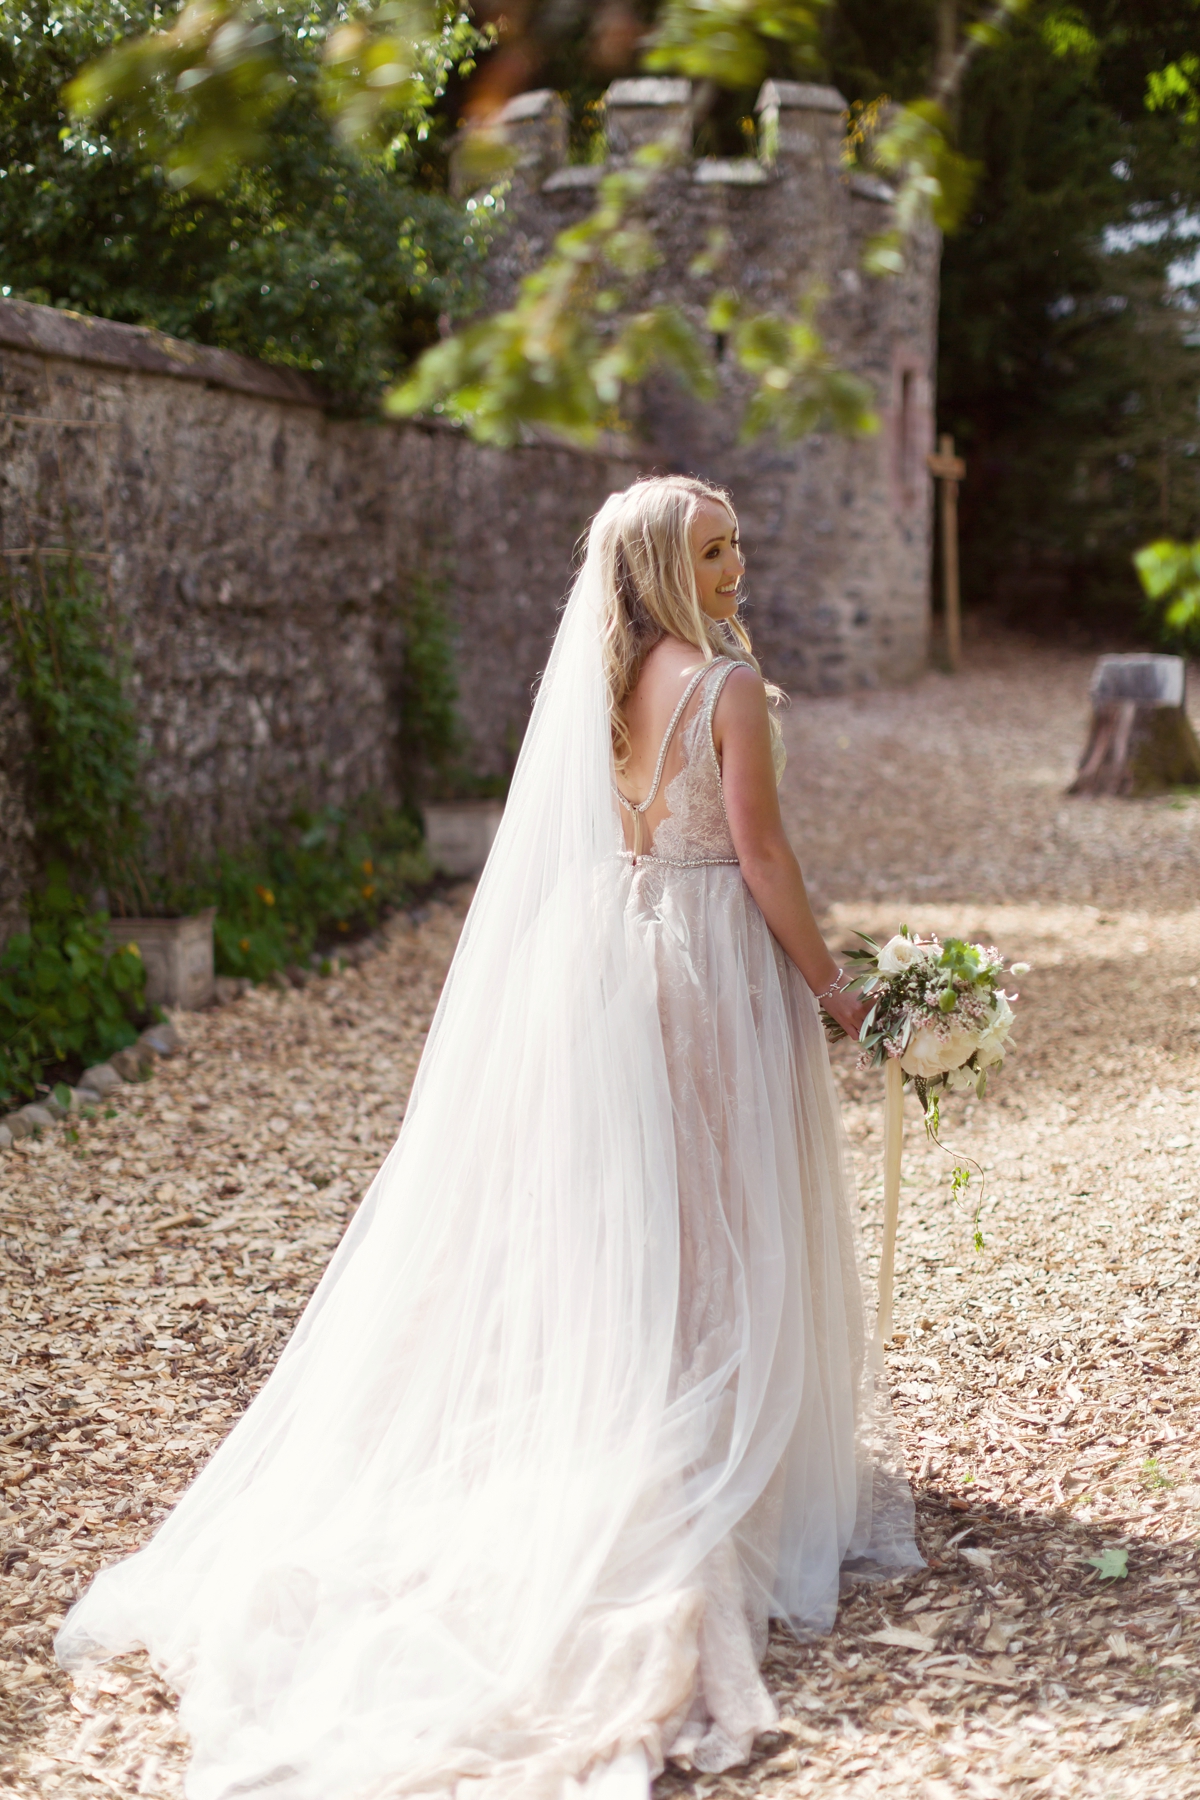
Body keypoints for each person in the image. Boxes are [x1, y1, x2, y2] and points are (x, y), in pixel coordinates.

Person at [56, 475, 918, 1800]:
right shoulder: (727, 691)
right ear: (660, 568)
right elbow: (759, 853)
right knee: (716, 1205)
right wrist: (836, 989)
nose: (739, 565)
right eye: (713, 548)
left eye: (738, 541)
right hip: (703, 962)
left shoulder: (600, 683)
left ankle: (635, 1403)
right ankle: (698, 1443)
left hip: (598, 961)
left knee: (630, 1203)